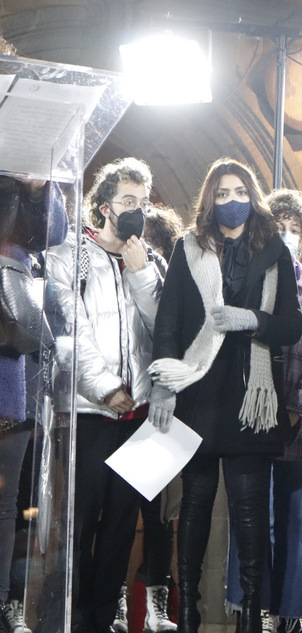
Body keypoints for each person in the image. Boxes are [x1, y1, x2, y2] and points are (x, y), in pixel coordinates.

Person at [148, 158, 302, 633]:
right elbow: (169, 320)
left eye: (238, 191)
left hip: (251, 396)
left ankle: (251, 612)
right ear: (209, 200)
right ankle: (189, 610)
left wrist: (252, 319)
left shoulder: (274, 250)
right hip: (198, 388)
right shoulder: (188, 247)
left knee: (250, 508)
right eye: (221, 193)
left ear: (251, 196)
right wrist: (163, 384)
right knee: (195, 502)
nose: (230, 200)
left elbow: (293, 324)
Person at [45, 157, 165, 633]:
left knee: (121, 528)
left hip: (137, 417)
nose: (137, 211)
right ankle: (73, 619)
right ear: (102, 207)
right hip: (88, 413)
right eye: (127, 202)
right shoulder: (68, 255)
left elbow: (164, 329)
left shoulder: (150, 261)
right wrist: (106, 388)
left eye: (144, 202)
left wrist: (140, 274)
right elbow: (69, 331)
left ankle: (101, 621)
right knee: (80, 525)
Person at [224, 188, 302, 633]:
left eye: (294, 229)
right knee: (252, 520)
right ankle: (256, 608)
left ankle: (292, 612)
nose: (285, 236)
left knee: (299, 525)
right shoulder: (248, 284)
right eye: (278, 228)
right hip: (252, 422)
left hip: (301, 423)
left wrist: (297, 408)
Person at [113, 203, 185, 633]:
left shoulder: (166, 278)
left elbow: (169, 331)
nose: (146, 248)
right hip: (119, 404)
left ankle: (159, 598)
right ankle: (117, 598)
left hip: (158, 411)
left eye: (154, 241)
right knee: (115, 515)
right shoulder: (111, 274)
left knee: (160, 515)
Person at [0, 172, 67, 633]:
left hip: (9, 370)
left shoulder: (30, 159)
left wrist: (38, 186)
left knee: (6, 506)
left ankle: (4, 602)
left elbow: (55, 234)